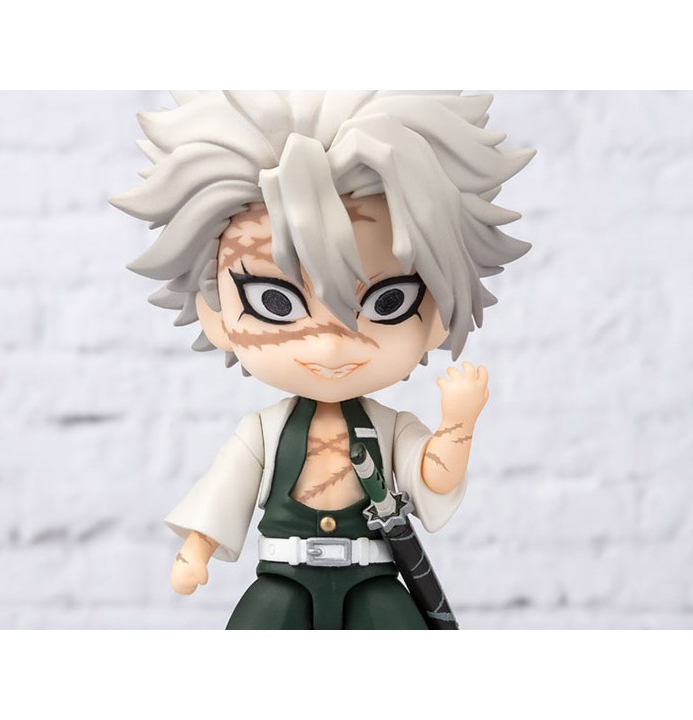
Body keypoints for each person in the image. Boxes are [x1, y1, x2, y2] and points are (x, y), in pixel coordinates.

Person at [111, 91, 534, 629]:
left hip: (374, 580)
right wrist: (197, 549)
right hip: (283, 578)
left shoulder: (392, 429)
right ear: (215, 313)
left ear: (437, 316)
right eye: (274, 301)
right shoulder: (263, 433)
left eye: (388, 302)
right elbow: (225, 491)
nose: (331, 345)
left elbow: (435, 479)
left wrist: (459, 423)